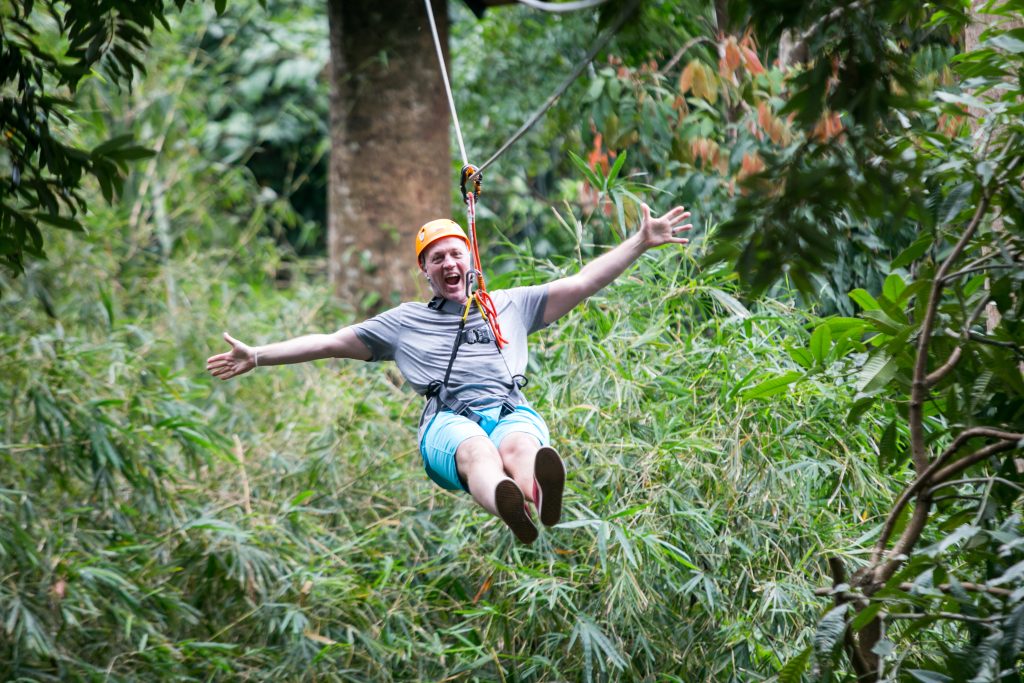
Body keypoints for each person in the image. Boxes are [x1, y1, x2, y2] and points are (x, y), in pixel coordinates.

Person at [206, 202, 691, 544]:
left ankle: (539, 496)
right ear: (426, 271)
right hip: (446, 424)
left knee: (521, 446)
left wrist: (641, 242)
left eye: (456, 253)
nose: (448, 262)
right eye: (437, 257)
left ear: (471, 259)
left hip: (509, 409)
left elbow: (585, 281)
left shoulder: (511, 305)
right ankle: (505, 500)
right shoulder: (403, 322)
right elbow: (330, 342)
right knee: (477, 450)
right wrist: (259, 354)